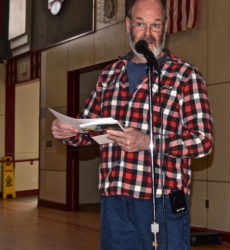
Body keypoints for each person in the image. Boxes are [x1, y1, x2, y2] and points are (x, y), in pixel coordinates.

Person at [51, 0, 213, 249]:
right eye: (140, 24)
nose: (148, 34)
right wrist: (68, 132)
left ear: (166, 28)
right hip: (114, 200)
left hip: (161, 202)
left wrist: (147, 141)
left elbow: (203, 141)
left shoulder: (185, 76)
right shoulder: (109, 75)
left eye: (155, 25)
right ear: (128, 25)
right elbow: (89, 131)